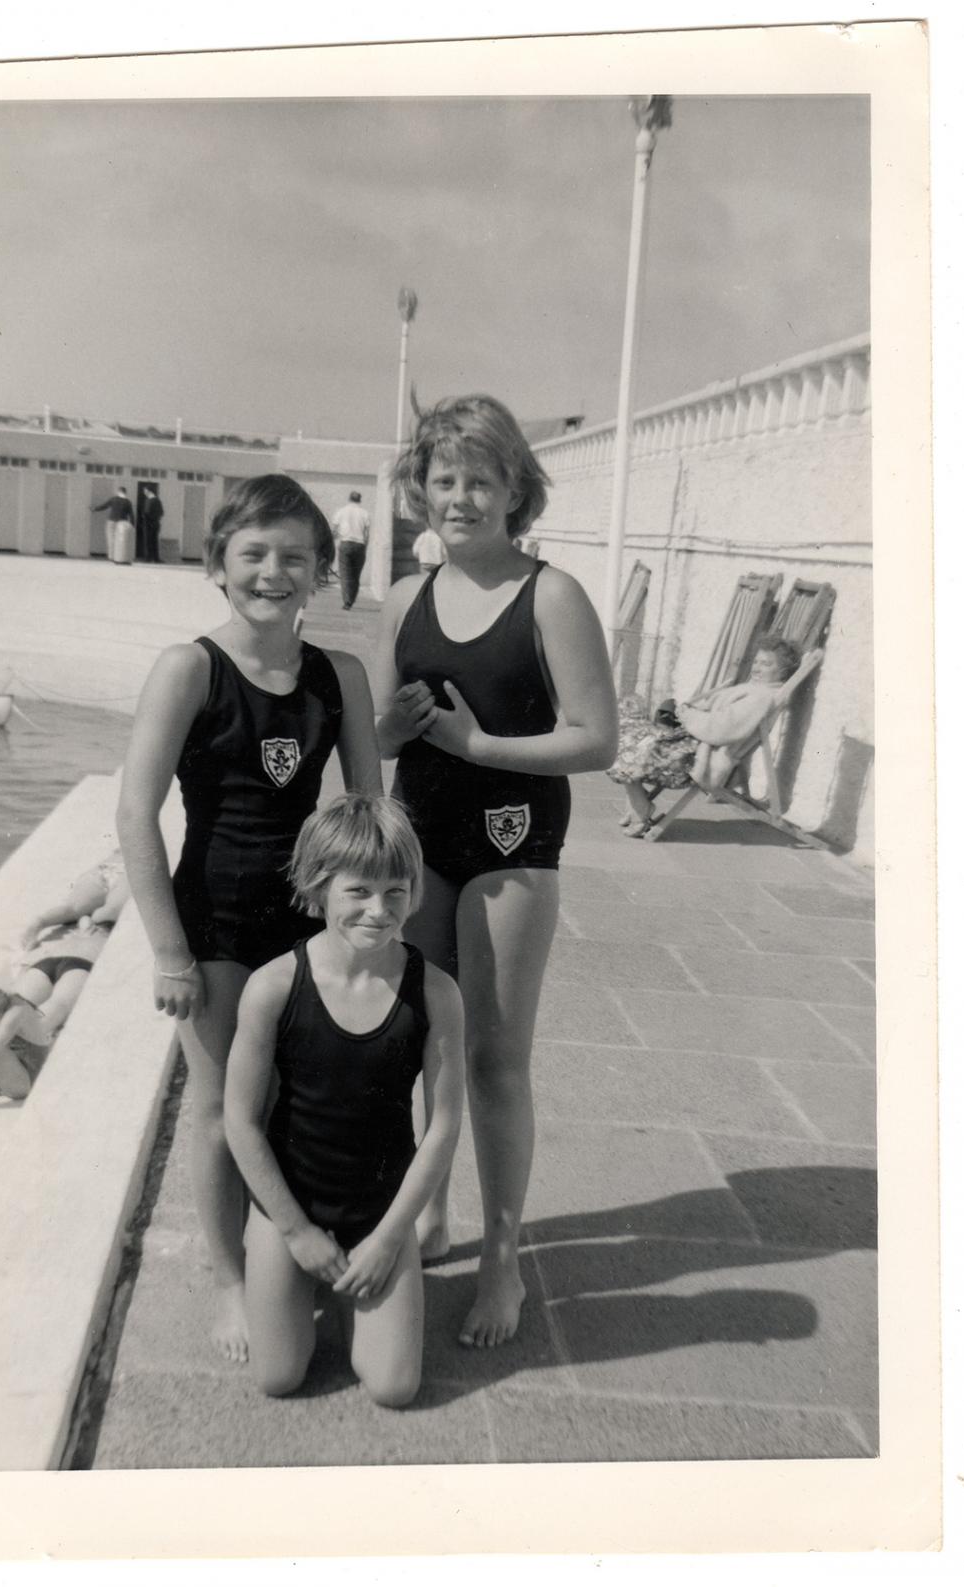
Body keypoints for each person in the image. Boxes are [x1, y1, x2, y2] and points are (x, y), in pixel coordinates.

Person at [117, 474, 382, 1362]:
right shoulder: (189, 668)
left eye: (294, 558)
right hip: (216, 918)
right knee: (216, 1106)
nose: (274, 571)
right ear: (219, 565)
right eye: (255, 553)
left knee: (289, 1098)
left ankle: (291, 1248)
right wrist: (168, 953)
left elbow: (367, 814)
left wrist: (366, 927)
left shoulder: (338, 675)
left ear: (319, 573)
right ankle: (229, 1276)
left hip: (305, 919)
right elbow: (134, 813)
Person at [372, 393, 618, 1348]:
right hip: (421, 842)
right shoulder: (403, 596)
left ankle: (504, 1257)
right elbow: (385, 732)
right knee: (422, 1048)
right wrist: (391, 732)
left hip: (515, 845)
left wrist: (478, 745)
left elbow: (596, 739)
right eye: (443, 479)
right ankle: (429, 1214)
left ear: (517, 488)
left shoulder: (550, 595)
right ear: (419, 492)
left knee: (493, 1061)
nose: (461, 496)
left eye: (481, 478)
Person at [224, 794, 464, 1406]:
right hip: (292, 1201)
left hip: (379, 1204)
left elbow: (442, 1128)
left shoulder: (435, 993)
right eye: (358, 891)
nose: (379, 911)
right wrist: (296, 1230)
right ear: (318, 886)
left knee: (393, 1387)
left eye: (396, 890)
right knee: (279, 1377)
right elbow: (242, 1123)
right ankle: (292, 1273)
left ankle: (355, 1278)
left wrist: (389, 1237)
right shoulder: (273, 987)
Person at [608, 635, 802, 836]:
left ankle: (639, 807)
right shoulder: (753, 689)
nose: (757, 667)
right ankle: (636, 802)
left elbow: (721, 728)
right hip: (688, 745)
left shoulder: (761, 698)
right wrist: (691, 710)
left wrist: (689, 715)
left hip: (693, 758)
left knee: (623, 743)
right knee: (622, 730)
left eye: (767, 664)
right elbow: (711, 712)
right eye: (757, 661)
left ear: (782, 671)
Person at [0, 920, 111, 1111]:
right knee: (42, 1012)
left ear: (1, 991)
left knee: (55, 1007)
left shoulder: (16, 1011)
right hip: (49, 963)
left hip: (27, 1081)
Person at [331, 489, 371, 609]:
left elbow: (335, 530)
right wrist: (365, 547)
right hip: (359, 545)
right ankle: (351, 599)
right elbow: (367, 533)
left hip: (346, 544)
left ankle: (347, 601)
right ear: (359, 500)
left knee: (345, 574)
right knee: (355, 575)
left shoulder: (341, 511)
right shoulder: (365, 513)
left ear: (349, 499)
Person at [91, 485, 135, 562]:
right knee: (120, 540)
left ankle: (111, 557)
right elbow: (131, 514)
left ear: (119, 491)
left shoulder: (114, 499)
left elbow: (104, 506)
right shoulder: (128, 502)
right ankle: (119, 556)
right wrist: (132, 525)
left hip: (111, 521)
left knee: (111, 539)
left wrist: (95, 509)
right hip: (122, 523)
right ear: (125, 492)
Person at [138, 484, 165, 564]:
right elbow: (161, 512)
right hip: (154, 523)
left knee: (149, 541)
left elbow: (158, 512)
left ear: (149, 491)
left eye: (145, 491)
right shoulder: (155, 500)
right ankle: (155, 558)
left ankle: (149, 558)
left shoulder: (151, 500)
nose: (144, 492)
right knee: (153, 541)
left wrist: (147, 516)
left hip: (149, 523)